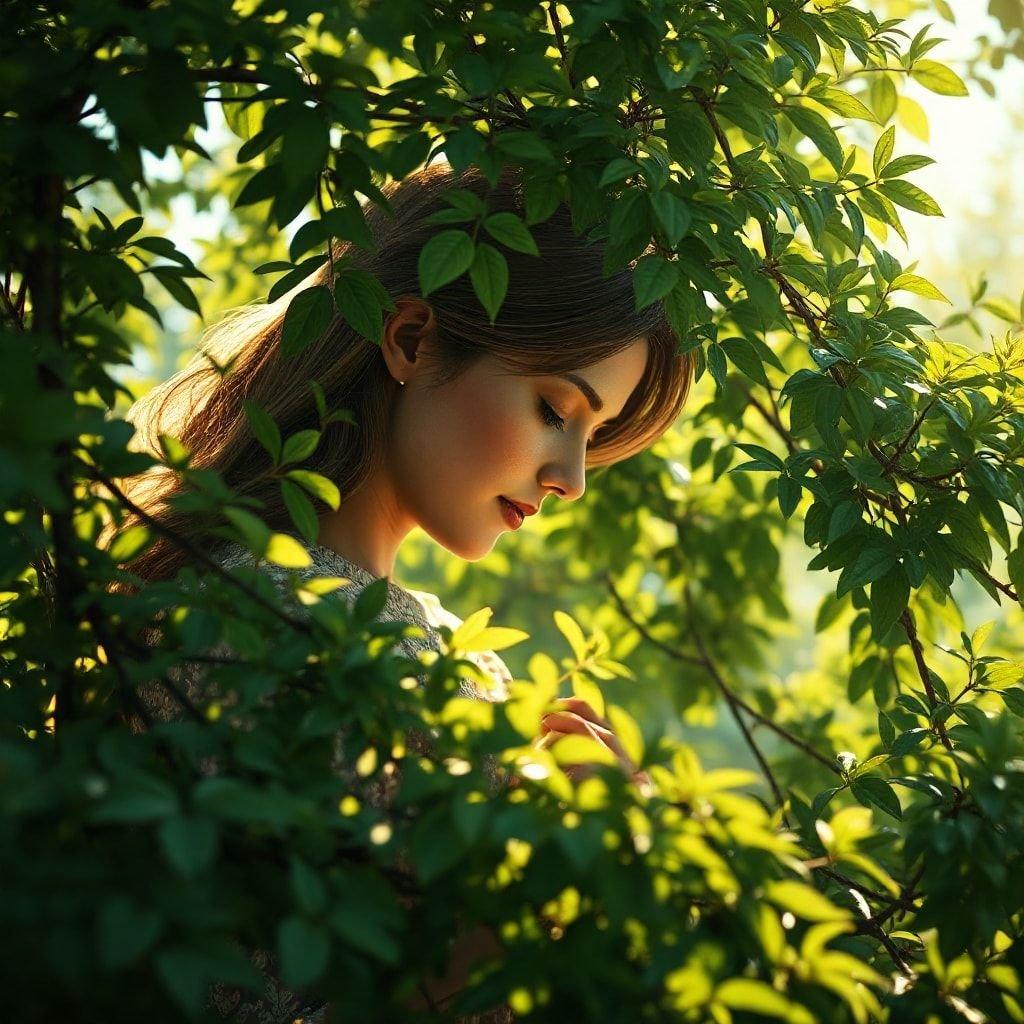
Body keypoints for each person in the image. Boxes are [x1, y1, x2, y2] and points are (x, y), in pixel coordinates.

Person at [116, 159, 695, 1022]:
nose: (572, 479)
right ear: (413, 340)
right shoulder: (289, 627)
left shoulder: (296, 609)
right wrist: (606, 865)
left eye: (594, 435)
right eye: (553, 409)